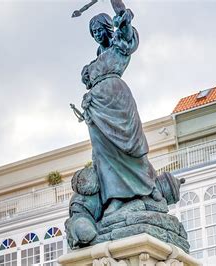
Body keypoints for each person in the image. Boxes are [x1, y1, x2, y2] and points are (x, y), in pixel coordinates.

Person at [80, 1, 162, 215]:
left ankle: (149, 184)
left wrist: (118, 7)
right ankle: (115, 197)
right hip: (97, 109)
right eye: (93, 32)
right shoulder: (98, 56)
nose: (97, 34)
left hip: (118, 101)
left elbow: (124, 24)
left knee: (131, 148)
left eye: (100, 29)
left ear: (108, 27)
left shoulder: (120, 43)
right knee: (104, 154)